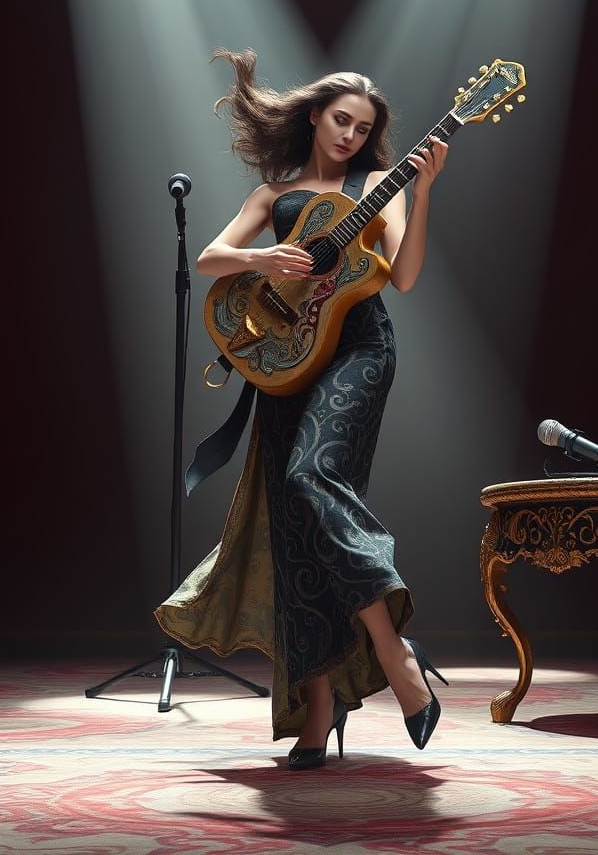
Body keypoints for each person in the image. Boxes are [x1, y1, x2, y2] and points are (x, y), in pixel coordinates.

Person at [155, 48, 449, 770]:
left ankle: (393, 651)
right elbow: (213, 259)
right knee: (293, 534)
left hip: (358, 350)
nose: (349, 135)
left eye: (362, 127)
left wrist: (428, 189)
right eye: (341, 120)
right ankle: (318, 710)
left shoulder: (381, 183)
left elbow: (403, 277)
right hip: (285, 361)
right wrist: (266, 261)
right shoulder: (277, 193)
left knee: (310, 480)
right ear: (317, 115)